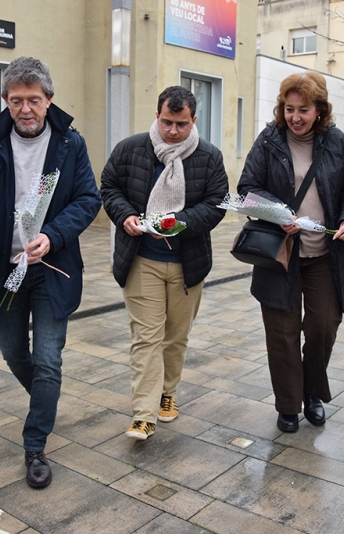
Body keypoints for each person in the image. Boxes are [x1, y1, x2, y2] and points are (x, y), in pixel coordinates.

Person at [0, 57, 100, 489]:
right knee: (12, 351)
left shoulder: (69, 144)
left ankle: (35, 444)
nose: (25, 109)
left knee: (48, 360)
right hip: (7, 269)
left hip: (51, 267)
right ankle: (45, 399)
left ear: (48, 99)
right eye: (16, 100)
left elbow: (87, 199)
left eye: (33, 100)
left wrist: (54, 234)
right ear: (5, 100)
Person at [100, 86, 228, 441]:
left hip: (189, 263)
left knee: (175, 337)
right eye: (167, 122)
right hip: (142, 259)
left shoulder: (209, 157)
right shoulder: (131, 149)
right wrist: (125, 215)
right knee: (146, 338)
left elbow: (218, 203)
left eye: (181, 124)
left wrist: (179, 222)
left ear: (194, 121)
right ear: (157, 116)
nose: (173, 131)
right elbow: (109, 187)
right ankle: (143, 413)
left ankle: (167, 394)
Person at [237, 72, 344, 433]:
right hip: (279, 254)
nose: (295, 117)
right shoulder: (269, 141)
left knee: (323, 327)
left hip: (325, 253)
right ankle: (289, 405)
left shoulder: (336, 142)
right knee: (283, 333)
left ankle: (312, 393)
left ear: (319, 110)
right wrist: (280, 213)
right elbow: (248, 188)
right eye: (289, 109)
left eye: (303, 110)